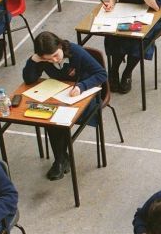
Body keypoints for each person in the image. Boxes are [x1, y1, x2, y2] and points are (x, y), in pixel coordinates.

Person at [23, 31, 107, 181]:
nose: (54, 60)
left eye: (56, 55)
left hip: (85, 96)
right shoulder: (43, 59)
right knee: (49, 117)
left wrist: (82, 86)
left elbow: (101, 74)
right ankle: (61, 159)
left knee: (57, 119)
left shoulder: (76, 52)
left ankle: (60, 160)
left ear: (60, 45)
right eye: (48, 59)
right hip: (59, 95)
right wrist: (33, 60)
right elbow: (29, 79)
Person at [103, 0, 161, 94]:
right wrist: (111, 3)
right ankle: (113, 70)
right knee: (113, 35)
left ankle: (127, 72)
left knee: (137, 40)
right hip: (125, 12)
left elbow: (156, 5)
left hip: (147, 16)